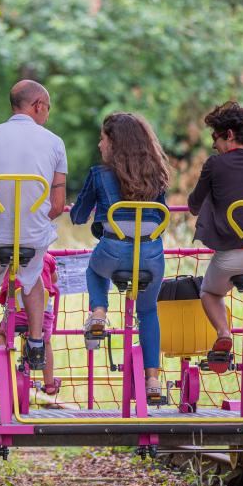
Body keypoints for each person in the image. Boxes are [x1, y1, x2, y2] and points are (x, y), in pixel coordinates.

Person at [0, 80, 67, 381]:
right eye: (47, 107)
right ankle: (35, 342)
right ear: (37, 106)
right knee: (33, 277)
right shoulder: (55, 143)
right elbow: (57, 205)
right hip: (32, 237)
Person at [70, 113, 170, 399]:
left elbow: (78, 216)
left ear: (114, 143)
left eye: (103, 139)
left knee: (94, 270)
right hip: (151, 253)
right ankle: (152, 382)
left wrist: (81, 210)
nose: (100, 145)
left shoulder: (99, 174)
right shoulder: (157, 173)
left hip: (113, 249)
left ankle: (99, 312)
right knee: (149, 311)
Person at [188, 101, 243, 372]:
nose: (214, 145)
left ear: (228, 135)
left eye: (214, 138)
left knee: (209, 292)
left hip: (232, 257)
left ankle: (224, 333)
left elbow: (194, 204)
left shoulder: (215, 165)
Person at [0, 252, 60, 393]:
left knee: (3, 335)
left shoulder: (9, 256)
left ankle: (6, 374)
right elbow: (54, 279)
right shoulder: (47, 257)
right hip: (42, 314)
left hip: (17, 313)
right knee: (46, 341)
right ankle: (49, 383)